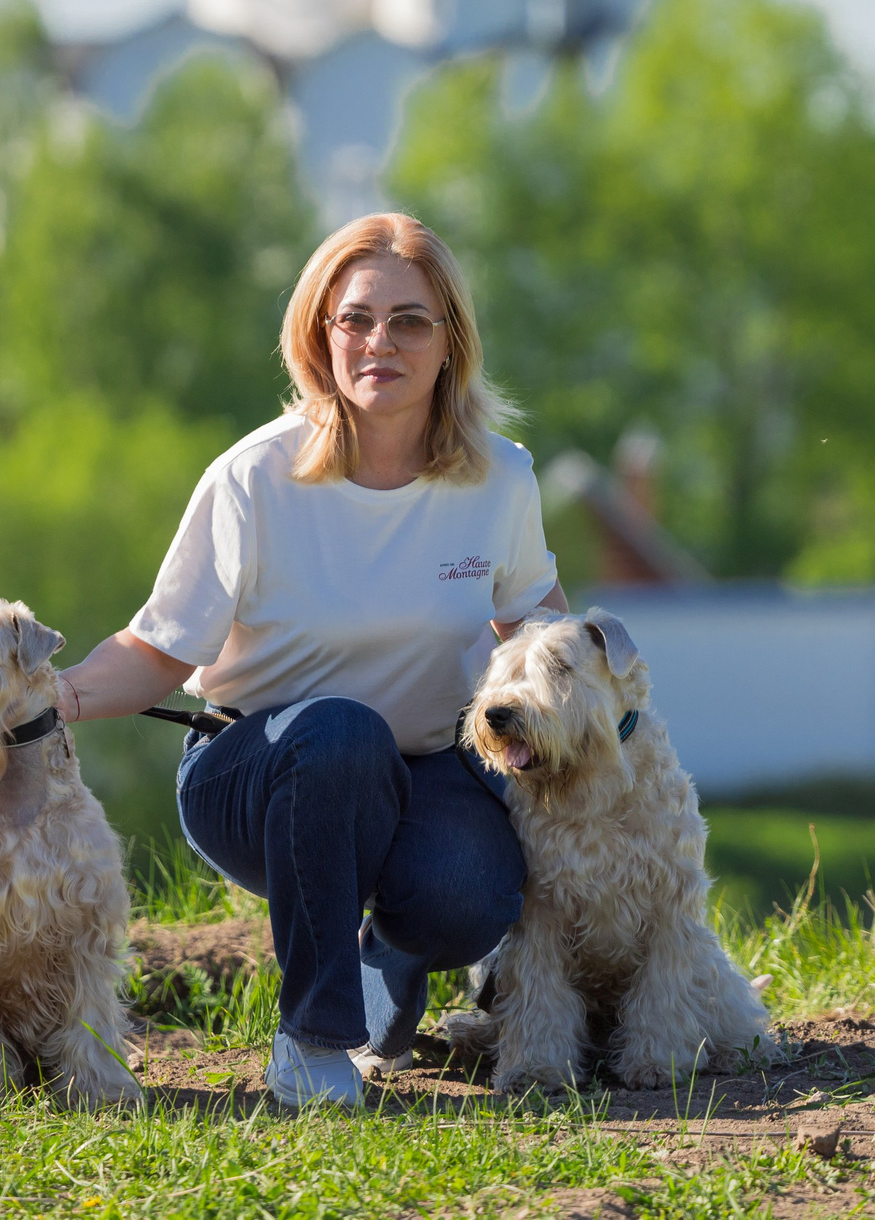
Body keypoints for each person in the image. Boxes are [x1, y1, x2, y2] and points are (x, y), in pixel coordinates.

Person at [55, 213, 565, 1108]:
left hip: (429, 765)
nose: (380, 342)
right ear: (317, 334)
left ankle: (387, 971)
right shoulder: (255, 476)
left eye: (410, 321)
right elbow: (157, 649)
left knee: (469, 895)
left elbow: (539, 640)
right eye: (355, 319)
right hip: (258, 771)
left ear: (450, 343)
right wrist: (47, 697)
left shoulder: (501, 478)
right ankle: (314, 1042)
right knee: (339, 732)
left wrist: (623, 725)